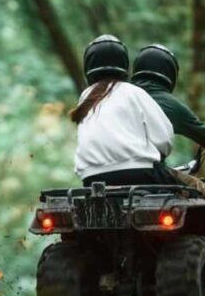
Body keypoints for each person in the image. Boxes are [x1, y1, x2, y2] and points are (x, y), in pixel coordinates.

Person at [131, 44, 205, 216]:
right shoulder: (170, 105)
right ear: (169, 73)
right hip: (151, 174)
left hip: (104, 176)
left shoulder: (118, 98)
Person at [72, 35, 178, 187]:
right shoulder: (133, 92)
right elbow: (163, 139)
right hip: (139, 173)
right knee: (195, 193)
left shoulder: (85, 97)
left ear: (88, 66)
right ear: (124, 64)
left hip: (92, 179)